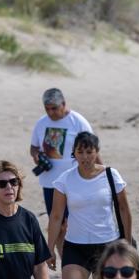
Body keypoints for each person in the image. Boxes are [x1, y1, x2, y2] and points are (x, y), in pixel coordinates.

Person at [47, 132, 132, 279]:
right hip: (75, 246)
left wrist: (126, 241)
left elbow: (125, 210)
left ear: (96, 152)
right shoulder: (65, 179)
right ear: (74, 153)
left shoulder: (111, 174)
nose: (85, 157)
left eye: (89, 152)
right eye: (80, 152)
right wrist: (50, 247)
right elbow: (56, 216)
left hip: (107, 245)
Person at [29, 88, 93, 245]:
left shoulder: (78, 122)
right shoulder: (41, 123)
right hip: (50, 183)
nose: (51, 112)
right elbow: (33, 147)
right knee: (57, 224)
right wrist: (36, 155)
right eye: (47, 109)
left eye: (54, 108)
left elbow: (93, 150)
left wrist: (97, 176)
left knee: (76, 224)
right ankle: (66, 262)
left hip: (75, 181)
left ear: (63, 104)